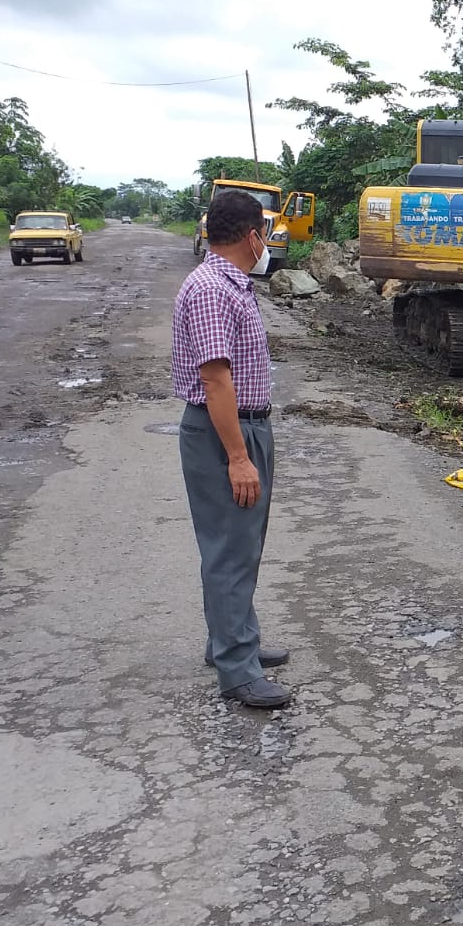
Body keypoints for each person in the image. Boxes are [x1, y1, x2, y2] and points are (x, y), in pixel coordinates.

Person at [172, 189, 292, 708]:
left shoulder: (231, 284)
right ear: (252, 236)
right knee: (229, 549)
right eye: (264, 233)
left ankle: (231, 640)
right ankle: (237, 670)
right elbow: (216, 379)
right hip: (225, 432)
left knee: (241, 545)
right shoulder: (211, 290)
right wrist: (239, 457)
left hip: (245, 426)